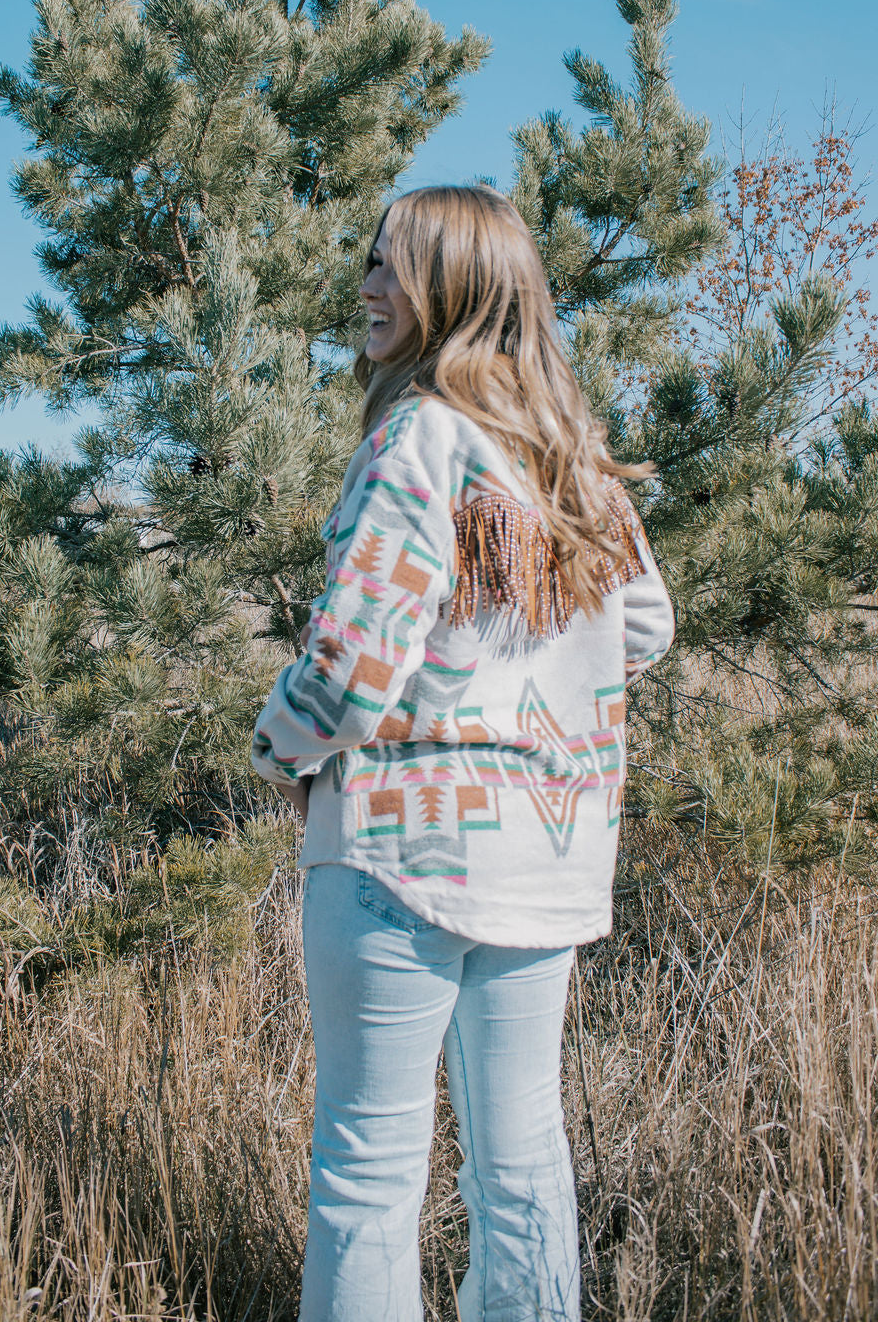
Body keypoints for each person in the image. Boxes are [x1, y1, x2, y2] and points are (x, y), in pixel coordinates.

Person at [250, 184, 674, 1322]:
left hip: (400, 855)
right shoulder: (568, 455)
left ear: (451, 289)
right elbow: (645, 627)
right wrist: (529, 687)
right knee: (522, 1160)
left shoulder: (418, 436)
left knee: (368, 1176)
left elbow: (346, 674)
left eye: (391, 265)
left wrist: (276, 749)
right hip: (544, 852)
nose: (367, 285)